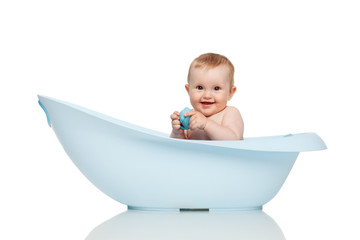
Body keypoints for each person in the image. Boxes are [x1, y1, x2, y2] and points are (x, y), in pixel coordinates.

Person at [170, 53, 244, 140]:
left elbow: (234, 139)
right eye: (200, 87)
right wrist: (177, 132)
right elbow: (179, 148)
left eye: (216, 88)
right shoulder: (190, 117)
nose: (207, 95)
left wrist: (206, 124)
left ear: (230, 93)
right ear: (188, 90)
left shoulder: (230, 113)